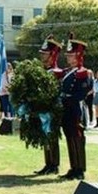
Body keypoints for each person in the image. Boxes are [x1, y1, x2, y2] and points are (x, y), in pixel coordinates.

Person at [60, 33, 92, 180]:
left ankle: (80, 169)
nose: (68, 57)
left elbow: (83, 92)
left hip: (75, 108)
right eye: (68, 55)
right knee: (69, 137)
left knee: (77, 137)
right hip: (66, 108)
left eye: (71, 55)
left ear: (78, 56)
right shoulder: (68, 72)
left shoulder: (83, 72)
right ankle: (73, 167)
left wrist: (69, 99)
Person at [34, 35, 63, 175]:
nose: (42, 56)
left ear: (52, 55)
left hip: (52, 109)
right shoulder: (42, 71)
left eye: (44, 54)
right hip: (42, 108)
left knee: (51, 137)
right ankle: (48, 163)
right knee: (45, 136)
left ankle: (54, 165)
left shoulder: (57, 73)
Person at [0, 62, 15, 135]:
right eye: (7, 67)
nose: (8, 69)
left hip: (10, 93)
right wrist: (5, 88)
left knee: (11, 106)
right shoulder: (3, 75)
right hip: (3, 93)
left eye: (9, 67)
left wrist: (10, 89)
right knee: (4, 106)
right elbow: (2, 84)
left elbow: (13, 83)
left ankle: (12, 119)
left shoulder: (12, 75)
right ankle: (6, 119)